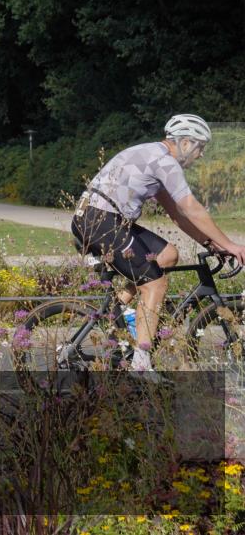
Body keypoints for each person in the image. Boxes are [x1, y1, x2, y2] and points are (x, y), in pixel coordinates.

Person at [71, 114, 245, 375]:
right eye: (200, 148)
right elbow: (193, 209)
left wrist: (211, 243)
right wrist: (231, 245)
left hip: (101, 219)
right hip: (101, 220)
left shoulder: (152, 154)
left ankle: (120, 312)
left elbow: (177, 214)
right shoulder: (165, 162)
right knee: (155, 283)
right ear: (185, 143)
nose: (201, 155)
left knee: (167, 256)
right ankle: (141, 365)